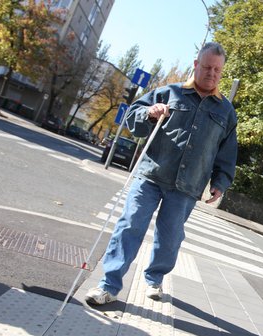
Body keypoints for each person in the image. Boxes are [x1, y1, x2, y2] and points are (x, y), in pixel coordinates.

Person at [85, 42, 237, 305]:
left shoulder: (226, 111)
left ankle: (154, 278)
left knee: (170, 238)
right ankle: (108, 286)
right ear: (196, 65)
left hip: (187, 186)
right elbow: (133, 118)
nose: (212, 73)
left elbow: (226, 153)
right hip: (151, 175)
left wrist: (220, 182)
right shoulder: (170, 93)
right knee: (130, 224)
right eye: (207, 67)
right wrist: (149, 113)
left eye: (217, 69)